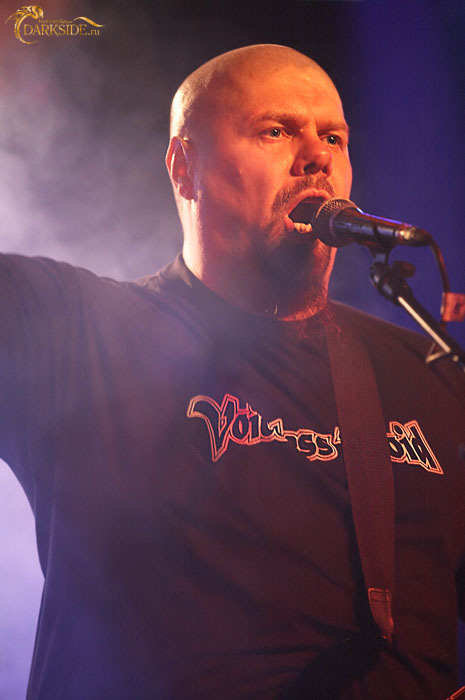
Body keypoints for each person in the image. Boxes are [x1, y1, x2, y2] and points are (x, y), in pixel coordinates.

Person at [1, 44, 464, 700]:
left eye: (333, 137)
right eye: (275, 131)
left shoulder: (430, 375)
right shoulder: (71, 330)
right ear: (184, 167)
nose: (317, 156)